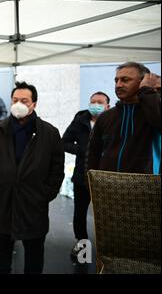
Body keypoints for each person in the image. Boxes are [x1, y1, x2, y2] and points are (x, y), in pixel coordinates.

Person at [0, 81, 65, 274]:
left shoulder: (49, 133)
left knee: (34, 260)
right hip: (2, 203)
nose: (18, 103)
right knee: (0, 260)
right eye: (15, 100)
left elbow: (57, 167)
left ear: (34, 103)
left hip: (33, 204)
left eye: (24, 100)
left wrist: (46, 193)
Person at [87, 62, 161, 174]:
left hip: (145, 186)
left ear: (142, 82)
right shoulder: (106, 116)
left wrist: (146, 90)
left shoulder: (152, 111)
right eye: (116, 80)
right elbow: (93, 152)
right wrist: (90, 182)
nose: (118, 85)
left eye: (125, 80)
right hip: (107, 186)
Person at [62, 91, 110, 259]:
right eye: (93, 101)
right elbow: (65, 142)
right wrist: (83, 151)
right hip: (82, 174)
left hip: (105, 177)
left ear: (107, 106)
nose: (95, 105)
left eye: (100, 102)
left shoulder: (112, 121)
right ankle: (82, 246)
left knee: (106, 214)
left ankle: (107, 248)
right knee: (80, 213)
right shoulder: (80, 120)